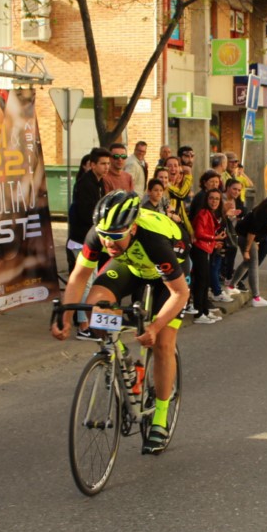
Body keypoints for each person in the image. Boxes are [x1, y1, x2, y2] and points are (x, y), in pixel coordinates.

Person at [51, 191, 189, 455]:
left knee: (162, 344)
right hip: (132, 266)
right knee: (94, 310)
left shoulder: (154, 240)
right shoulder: (100, 233)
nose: (108, 242)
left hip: (169, 277)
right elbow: (79, 277)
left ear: (133, 228)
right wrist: (66, 318)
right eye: (104, 236)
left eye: (115, 237)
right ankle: (125, 360)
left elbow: (180, 293)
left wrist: (155, 327)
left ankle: (160, 417)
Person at [67, 147, 109, 273]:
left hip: (91, 238)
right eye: (103, 163)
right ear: (92, 165)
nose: (106, 167)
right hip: (81, 240)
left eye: (108, 163)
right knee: (86, 281)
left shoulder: (100, 182)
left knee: (93, 278)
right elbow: (86, 214)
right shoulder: (85, 184)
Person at [190, 187, 226, 324]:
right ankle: (199, 313)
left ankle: (204, 311)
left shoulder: (210, 213)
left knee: (205, 282)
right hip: (199, 250)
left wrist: (213, 241)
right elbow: (199, 233)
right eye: (211, 198)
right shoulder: (203, 213)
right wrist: (214, 238)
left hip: (206, 250)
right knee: (201, 282)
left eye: (217, 199)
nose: (214, 201)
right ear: (206, 199)